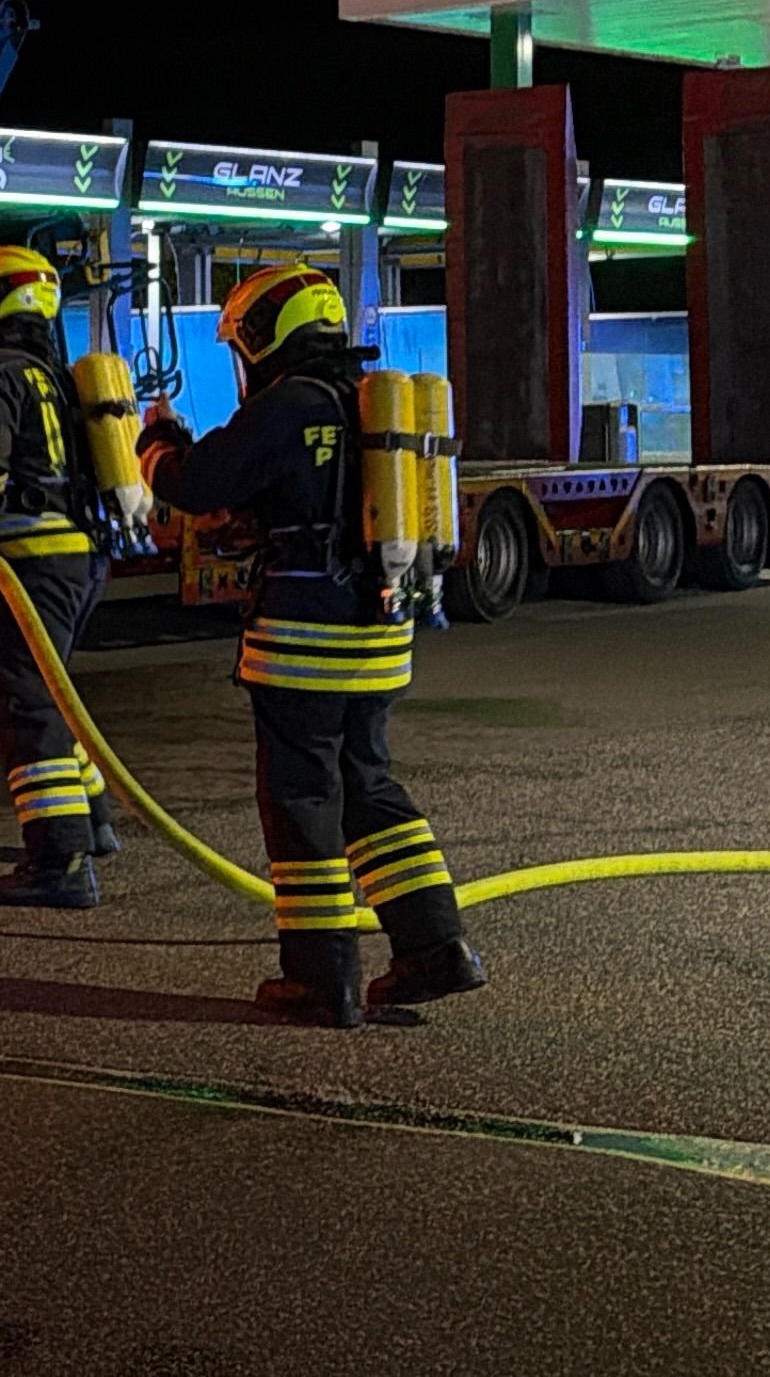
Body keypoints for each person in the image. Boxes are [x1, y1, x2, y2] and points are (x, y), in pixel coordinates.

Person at [145, 261, 490, 1027]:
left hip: (302, 642)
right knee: (369, 787)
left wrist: (157, 444)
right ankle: (437, 948)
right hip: (380, 639)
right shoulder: (362, 405)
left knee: (302, 800)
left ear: (269, 335)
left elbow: (198, 484)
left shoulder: (287, 405)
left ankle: (321, 978)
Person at [0, 245, 118, 909]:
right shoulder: (56, 375)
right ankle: (92, 822)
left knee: (22, 702)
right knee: (50, 693)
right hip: (79, 557)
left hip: (32, 560)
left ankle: (58, 862)